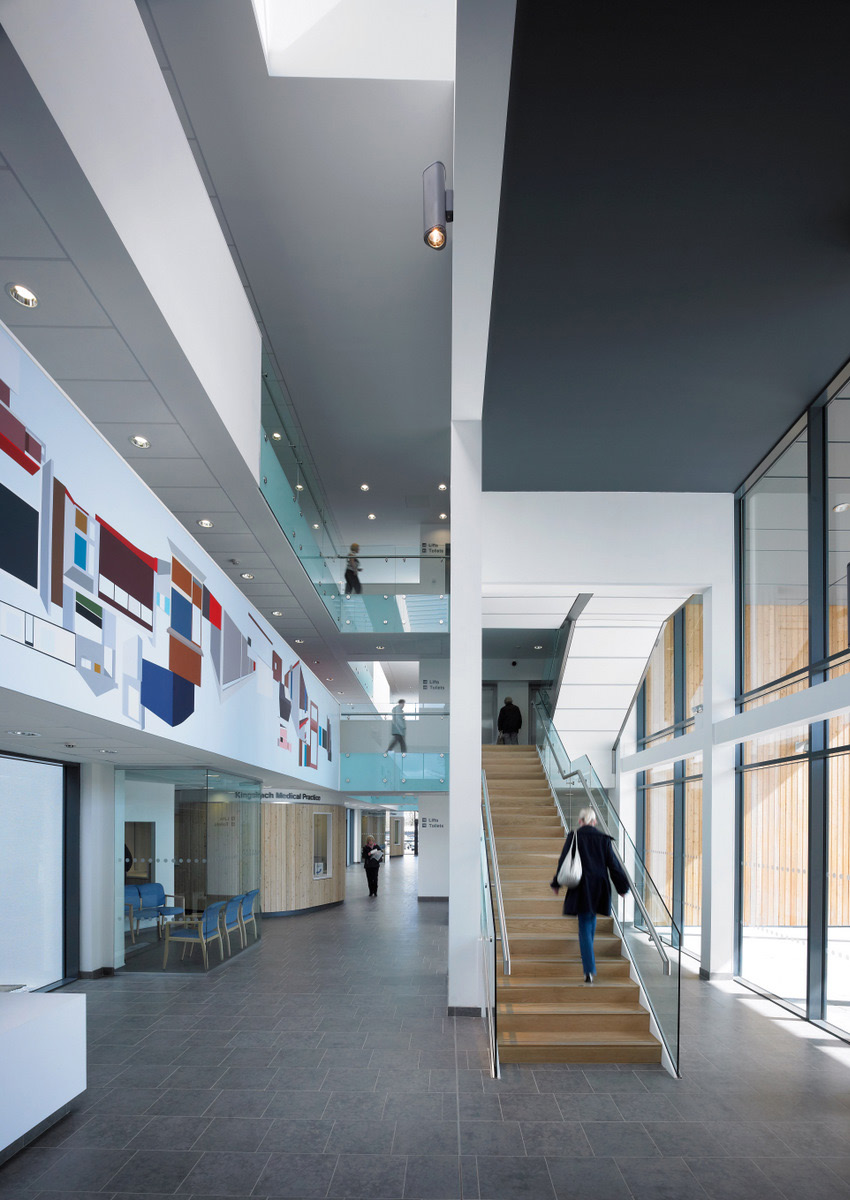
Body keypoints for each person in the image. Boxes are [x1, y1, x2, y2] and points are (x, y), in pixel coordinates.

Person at [550, 807, 629, 983]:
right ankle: (588, 959)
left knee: (585, 924)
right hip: (600, 887)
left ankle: (588, 968)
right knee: (590, 919)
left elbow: (564, 862)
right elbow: (614, 866)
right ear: (594, 822)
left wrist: (557, 883)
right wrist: (622, 887)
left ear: (580, 821)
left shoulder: (574, 837)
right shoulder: (604, 839)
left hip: (581, 887)